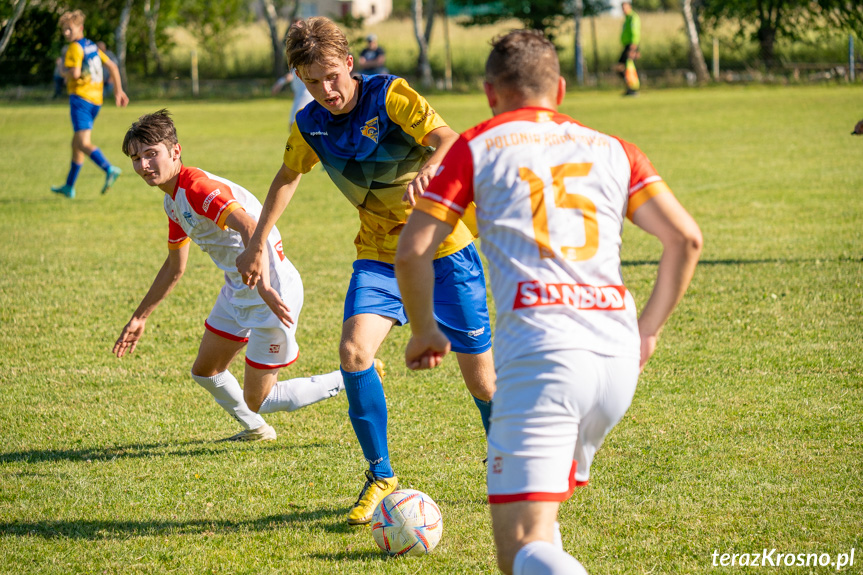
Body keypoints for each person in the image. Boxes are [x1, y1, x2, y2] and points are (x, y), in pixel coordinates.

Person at [395, 30, 702, 575]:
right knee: (542, 519)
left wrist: (424, 330)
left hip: (543, 360)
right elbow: (685, 239)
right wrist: (648, 331)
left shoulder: (476, 145)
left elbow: (414, 247)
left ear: (490, 93)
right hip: (615, 360)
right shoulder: (616, 149)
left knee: (520, 551)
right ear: (559, 89)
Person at [235, 17, 496, 526]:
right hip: (378, 254)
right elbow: (288, 176)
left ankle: (505, 456)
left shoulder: (390, 95)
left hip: (443, 246)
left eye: (332, 76)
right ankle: (381, 475)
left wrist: (428, 168)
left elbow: (450, 139)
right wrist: (258, 241)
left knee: (481, 380)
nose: (326, 90)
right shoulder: (309, 124)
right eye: (311, 81)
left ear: (349, 64)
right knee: (354, 353)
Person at [114, 109, 361, 442]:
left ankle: (353, 376)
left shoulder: (198, 188)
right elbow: (175, 266)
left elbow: (248, 225)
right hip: (239, 289)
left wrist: (267, 288)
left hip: (272, 293)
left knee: (259, 398)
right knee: (206, 371)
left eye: (151, 154)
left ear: (175, 151)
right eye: (136, 158)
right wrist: (140, 317)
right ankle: (256, 430)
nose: (144, 165)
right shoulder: (174, 202)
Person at [51, 10, 129, 199]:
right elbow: (112, 66)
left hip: (81, 99)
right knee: (76, 143)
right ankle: (69, 186)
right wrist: (118, 90)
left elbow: (75, 73)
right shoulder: (91, 46)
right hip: (96, 100)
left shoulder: (74, 48)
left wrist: (62, 70)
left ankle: (108, 168)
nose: (66, 33)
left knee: (83, 143)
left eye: (69, 29)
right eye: (64, 30)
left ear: (80, 28)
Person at [616, 1, 641, 96]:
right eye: (622, 8)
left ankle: (633, 89)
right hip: (627, 45)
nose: (623, 10)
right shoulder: (626, 18)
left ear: (629, 7)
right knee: (621, 67)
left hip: (631, 45)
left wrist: (633, 47)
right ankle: (630, 87)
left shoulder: (633, 18)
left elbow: (635, 32)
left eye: (625, 7)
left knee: (628, 68)